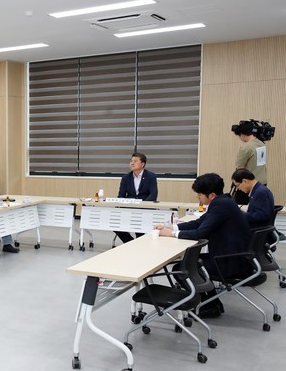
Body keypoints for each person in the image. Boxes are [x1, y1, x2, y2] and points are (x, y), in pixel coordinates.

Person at [157, 173, 252, 318]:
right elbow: (199, 223)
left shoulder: (220, 206)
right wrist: (172, 227)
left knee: (181, 269)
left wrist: (172, 234)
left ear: (211, 195)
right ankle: (213, 304)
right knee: (190, 264)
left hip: (231, 262)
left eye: (200, 194)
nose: (198, 197)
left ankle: (209, 305)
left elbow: (200, 232)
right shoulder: (223, 201)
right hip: (233, 256)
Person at [114, 152, 158, 243]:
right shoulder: (126, 177)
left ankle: (138, 244)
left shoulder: (151, 176)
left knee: (139, 229)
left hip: (145, 209)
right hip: (129, 208)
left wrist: (142, 205)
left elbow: (153, 195)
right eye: (131, 161)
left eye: (135, 161)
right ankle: (130, 242)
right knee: (114, 224)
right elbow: (121, 195)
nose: (132, 163)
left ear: (143, 164)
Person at [233, 123, 268, 204]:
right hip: (262, 181)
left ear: (242, 135)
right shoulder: (261, 143)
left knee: (238, 205)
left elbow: (240, 168)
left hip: (248, 183)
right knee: (258, 204)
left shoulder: (246, 148)